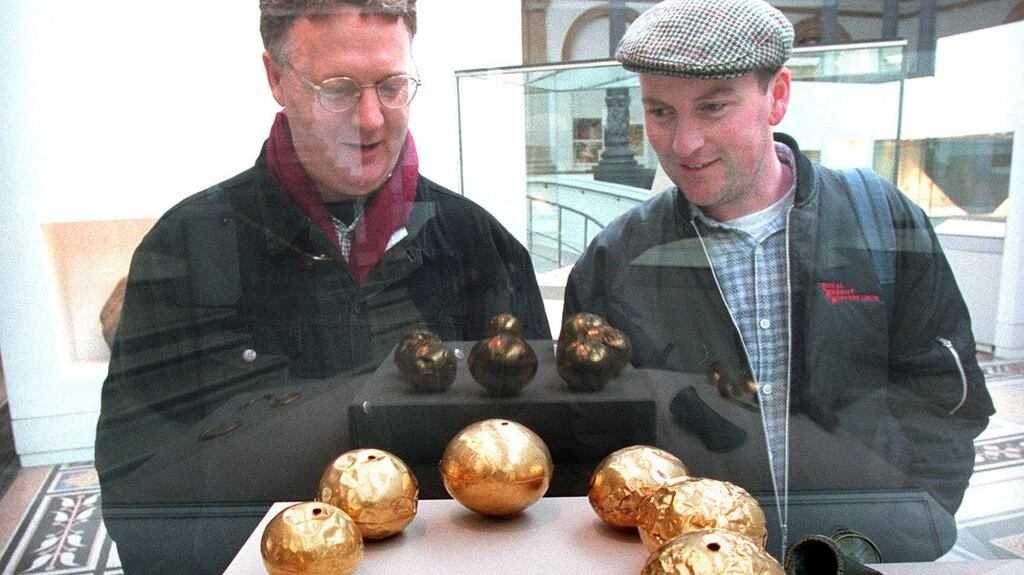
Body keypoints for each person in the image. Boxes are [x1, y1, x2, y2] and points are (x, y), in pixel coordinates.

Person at [95, 1, 549, 572]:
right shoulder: (184, 249)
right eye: (337, 88)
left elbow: (540, 461)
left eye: (391, 86)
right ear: (276, 78)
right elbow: (142, 491)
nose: (370, 120)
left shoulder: (482, 246)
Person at [564, 0, 994, 558]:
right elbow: (594, 434)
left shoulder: (879, 218)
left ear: (778, 96)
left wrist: (909, 522)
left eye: (713, 107)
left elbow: (945, 395)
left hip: (869, 551)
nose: (683, 142)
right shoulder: (615, 258)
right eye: (661, 112)